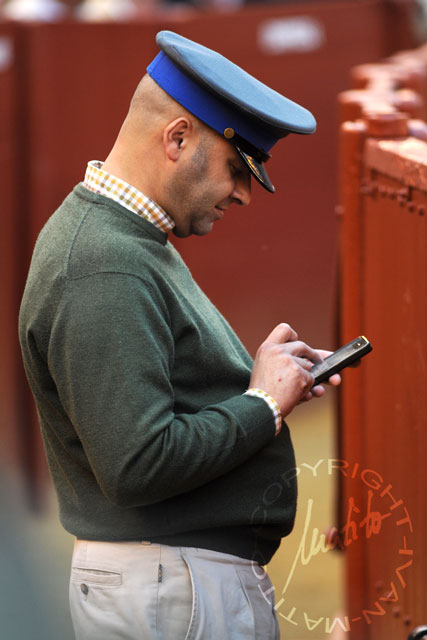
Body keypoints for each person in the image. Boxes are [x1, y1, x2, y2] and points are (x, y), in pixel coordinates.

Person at [19, 30, 340, 640]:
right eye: (235, 168)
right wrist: (263, 405)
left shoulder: (124, 239)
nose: (244, 194)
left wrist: (266, 381)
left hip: (168, 583)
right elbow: (137, 463)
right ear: (177, 138)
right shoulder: (104, 259)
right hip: (169, 587)